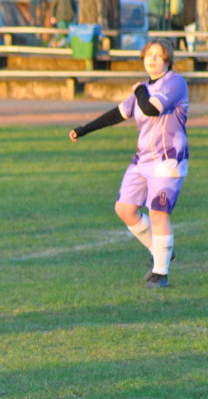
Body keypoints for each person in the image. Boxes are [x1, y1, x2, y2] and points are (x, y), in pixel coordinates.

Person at [68, 39, 187, 289]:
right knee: (124, 209)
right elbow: (117, 114)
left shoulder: (175, 83)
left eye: (158, 55)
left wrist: (139, 91)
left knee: (157, 212)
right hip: (142, 159)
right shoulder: (142, 88)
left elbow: (151, 109)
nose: (153, 59)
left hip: (168, 160)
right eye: (149, 55)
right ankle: (161, 250)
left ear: (168, 60)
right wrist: (84, 129)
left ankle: (160, 273)